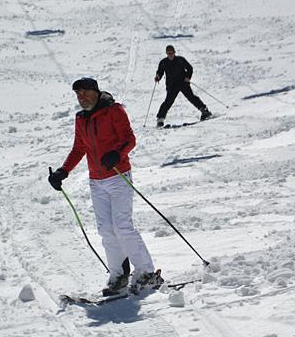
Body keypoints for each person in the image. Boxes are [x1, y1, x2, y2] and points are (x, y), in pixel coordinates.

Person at [48, 77, 162, 295]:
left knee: (122, 226)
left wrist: (117, 154)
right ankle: (118, 274)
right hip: (96, 181)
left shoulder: (114, 111)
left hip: (118, 176)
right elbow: (78, 148)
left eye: (85, 94)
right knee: (106, 230)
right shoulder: (81, 119)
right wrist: (63, 171)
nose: (82, 99)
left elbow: (130, 139)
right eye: (78, 95)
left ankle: (147, 273)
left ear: (96, 92)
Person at [154, 45, 211, 127]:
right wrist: (158, 76)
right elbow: (160, 71)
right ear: (166, 53)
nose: (170, 54)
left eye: (171, 52)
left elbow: (189, 68)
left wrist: (188, 77)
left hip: (183, 83)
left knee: (191, 97)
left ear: (174, 52)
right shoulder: (163, 62)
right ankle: (160, 119)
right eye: (168, 53)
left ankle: (205, 111)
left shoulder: (180, 60)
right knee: (168, 101)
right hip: (172, 85)